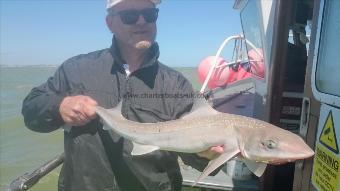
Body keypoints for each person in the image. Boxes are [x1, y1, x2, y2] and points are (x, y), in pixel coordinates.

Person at [22, 0, 222, 190]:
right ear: (109, 23)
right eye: (130, 15)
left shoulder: (176, 84)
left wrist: (205, 154)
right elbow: (31, 110)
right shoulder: (76, 69)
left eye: (149, 14)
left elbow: (196, 158)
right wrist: (59, 106)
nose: (142, 21)